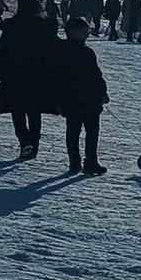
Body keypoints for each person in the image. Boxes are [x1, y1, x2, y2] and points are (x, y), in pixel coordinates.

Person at [0, 0, 56, 159]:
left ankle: (24, 141)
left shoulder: (12, 27)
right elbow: (54, 52)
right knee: (34, 111)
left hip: (13, 75)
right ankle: (33, 142)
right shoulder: (45, 28)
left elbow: (2, 52)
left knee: (17, 110)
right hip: (37, 75)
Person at [58, 17, 109, 175]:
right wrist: (101, 92)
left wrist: (102, 92)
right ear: (73, 32)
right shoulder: (80, 52)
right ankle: (82, 162)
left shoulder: (67, 50)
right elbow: (95, 76)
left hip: (84, 99)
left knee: (80, 132)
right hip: (81, 98)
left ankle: (84, 162)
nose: (87, 33)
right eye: (84, 30)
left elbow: (96, 75)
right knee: (82, 132)